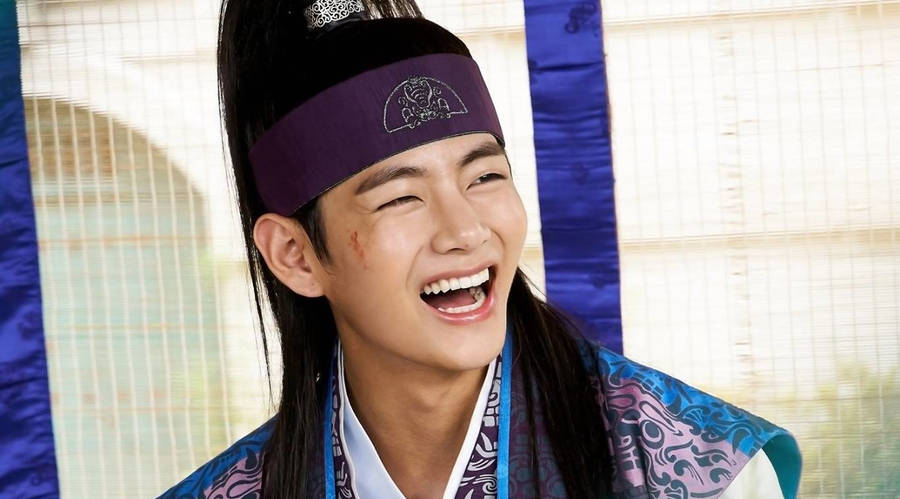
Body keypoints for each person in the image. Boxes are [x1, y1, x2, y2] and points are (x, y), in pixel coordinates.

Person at [161, 0, 802, 497]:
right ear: (295, 255)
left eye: (485, 176)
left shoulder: (695, 470)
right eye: (401, 197)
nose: (466, 230)